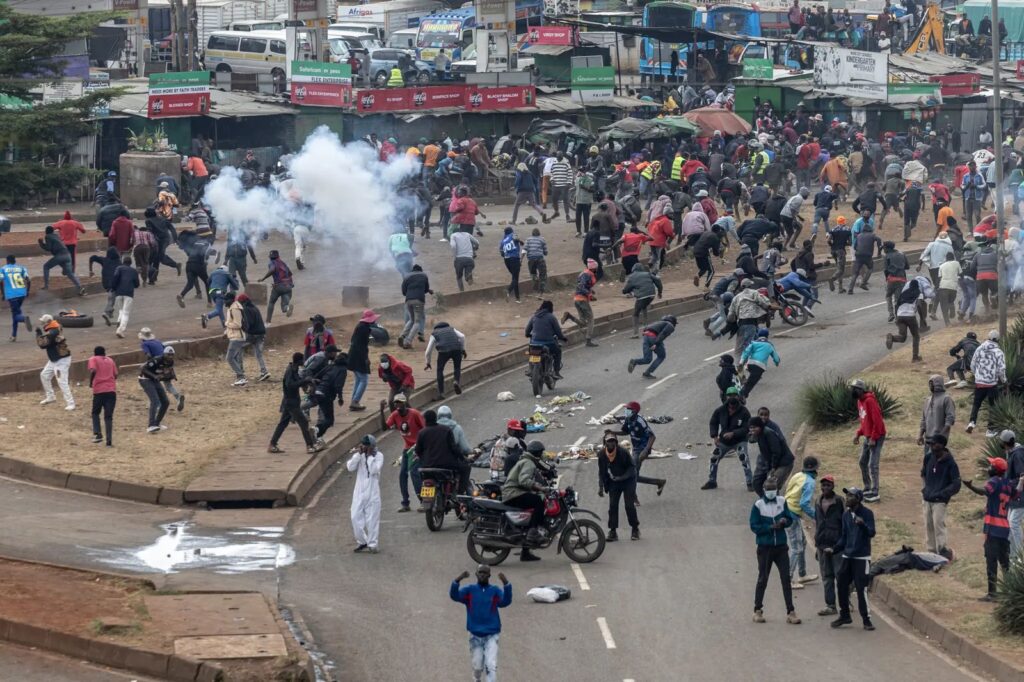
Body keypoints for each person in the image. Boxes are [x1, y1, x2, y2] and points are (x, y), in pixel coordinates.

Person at [964, 456, 1024, 600]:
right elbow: (1017, 493)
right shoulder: (1008, 483)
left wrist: (970, 486)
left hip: (992, 528)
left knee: (991, 561)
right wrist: (1021, 482)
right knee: (1005, 563)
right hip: (1004, 529)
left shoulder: (994, 482)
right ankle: (1010, 591)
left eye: (991, 466)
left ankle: (992, 593)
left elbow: (984, 491)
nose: (988, 468)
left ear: (995, 470)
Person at [749, 476, 801, 625]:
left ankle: (791, 611)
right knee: (763, 578)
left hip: (781, 547)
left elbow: (789, 519)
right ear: (764, 490)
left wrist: (784, 521)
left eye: (773, 489)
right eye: (768, 489)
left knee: (786, 579)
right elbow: (754, 526)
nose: (771, 492)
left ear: (777, 490)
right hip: (765, 547)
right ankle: (757, 610)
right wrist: (770, 527)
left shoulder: (782, 501)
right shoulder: (758, 505)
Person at [450, 565, 511, 682]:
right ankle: (477, 679)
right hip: (475, 636)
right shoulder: (469, 590)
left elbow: (505, 602)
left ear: (489, 575)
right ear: (476, 574)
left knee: (491, 666)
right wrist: (458, 580)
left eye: (485, 573)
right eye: (480, 572)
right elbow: (454, 596)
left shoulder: (494, 590)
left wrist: (506, 584)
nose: (482, 575)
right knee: (477, 668)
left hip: (492, 635)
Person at [829, 487, 876, 631]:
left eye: (850, 496)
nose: (847, 498)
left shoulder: (867, 513)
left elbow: (871, 532)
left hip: (861, 557)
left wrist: (862, 525)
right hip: (847, 555)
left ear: (858, 499)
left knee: (861, 588)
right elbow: (844, 537)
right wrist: (834, 549)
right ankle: (844, 615)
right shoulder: (846, 515)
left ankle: (866, 619)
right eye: (847, 495)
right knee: (841, 584)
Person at [501, 439, 551, 558]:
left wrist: (538, 487)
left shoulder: (526, 460)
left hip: (514, 492)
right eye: (541, 452)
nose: (542, 454)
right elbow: (523, 480)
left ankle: (525, 553)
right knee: (538, 501)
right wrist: (540, 488)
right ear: (537, 453)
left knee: (530, 514)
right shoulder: (529, 463)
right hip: (513, 493)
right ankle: (533, 532)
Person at [268, 352, 322, 454]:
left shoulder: (294, 369)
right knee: (304, 422)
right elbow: (290, 385)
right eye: (302, 360)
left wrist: (311, 381)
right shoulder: (290, 371)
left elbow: (299, 381)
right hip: (291, 402)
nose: (304, 361)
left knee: (283, 423)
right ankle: (310, 446)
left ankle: (272, 444)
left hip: (291, 401)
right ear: (299, 360)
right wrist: (304, 381)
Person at [381, 394, 425, 512]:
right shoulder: (395, 415)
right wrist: (381, 411)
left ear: (405, 403)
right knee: (402, 474)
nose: (398, 405)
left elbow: (425, 429)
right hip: (407, 449)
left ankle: (423, 501)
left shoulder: (414, 414)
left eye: (400, 402)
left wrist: (421, 446)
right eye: (396, 403)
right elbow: (384, 427)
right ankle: (405, 503)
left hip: (418, 447)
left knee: (414, 472)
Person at [920, 433, 961, 559]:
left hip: (940, 501)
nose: (932, 446)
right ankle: (931, 552)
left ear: (942, 445)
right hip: (927, 498)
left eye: (934, 444)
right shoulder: (928, 458)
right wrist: (925, 489)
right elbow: (923, 473)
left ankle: (942, 551)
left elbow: (956, 484)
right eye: (930, 444)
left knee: (938, 525)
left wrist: (943, 494)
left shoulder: (951, 463)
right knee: (928, 525)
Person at [616, 401, 667, 499]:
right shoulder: (628, 419)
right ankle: (659, 482)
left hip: (642, 449)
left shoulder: (640, 422)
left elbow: (652, 436)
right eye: (626, 409)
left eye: (628, 409)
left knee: (631, 474)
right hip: (635, 448)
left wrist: (646, 450)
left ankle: (633, 496)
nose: (626, 411)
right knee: (634, 475)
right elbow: (625, 431)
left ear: (634, 411)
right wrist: (612, 432)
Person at [704, 390, 753, 491]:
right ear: (726, 397)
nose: (732, 397)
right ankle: (712, 481)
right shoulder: (720, 410)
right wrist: (715, 436)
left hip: (740, 440)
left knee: (744, 458)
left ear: (738, 397)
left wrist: (733, 433)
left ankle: (750, 482)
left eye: (734, 395)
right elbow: (713, 422)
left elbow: (747, 427)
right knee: (714, 458)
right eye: (730, 395)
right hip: (724, 441)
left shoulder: (744, 411)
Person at [417, 408, 470, 495]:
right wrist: (463, 458)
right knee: (466, 467)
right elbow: (454, 448)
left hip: (427, 466)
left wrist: (425, 460)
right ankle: (460, 493)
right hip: (446, 465)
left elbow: (418, 451)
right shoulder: (446, 430)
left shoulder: (421, 432)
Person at [598, 433, 640, 542]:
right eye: (608, 441)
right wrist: (601, 487)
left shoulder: (623, 452)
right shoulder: (602, 454)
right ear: (605, 443)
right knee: (613, 506)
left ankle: (635, 528)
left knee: (629, 505)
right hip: (614, 482)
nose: (611, 443)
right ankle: (613, 531)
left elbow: (632, 468)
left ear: (616, 443)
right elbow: (602, 472)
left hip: (628, 480)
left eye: (613, 441)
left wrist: (622, 478)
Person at [813, 474, 844, 616]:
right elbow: (818, 523)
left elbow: (845, 523)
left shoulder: (840, 502)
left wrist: (844, 543)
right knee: (827, 576)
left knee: (841, 575)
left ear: (833, 486)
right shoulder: (818, 501)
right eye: (823, 485)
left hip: (837, 545)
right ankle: (830, 605)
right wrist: (817, 545)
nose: (825, 488)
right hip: (822, 545)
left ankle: (845, 603)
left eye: (828, 485)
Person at [347, 434, 383, 554]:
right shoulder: (360, 456)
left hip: (372, 493)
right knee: (355, 517)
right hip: (359, 492)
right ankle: (362, 541)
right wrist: (358, 455)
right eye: (363, 445)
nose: (364, 447)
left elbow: (373, 470)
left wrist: (370, 456)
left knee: (372, 520)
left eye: (367, 446)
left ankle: (372, 544)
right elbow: (350, 467)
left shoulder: (379, 456)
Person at [967, 330, 1006, 438]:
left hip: (979, 383)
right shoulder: (999, 352)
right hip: (991, 384)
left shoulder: (979, 348)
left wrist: (977, 375)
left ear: (988, 337)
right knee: (993, 406)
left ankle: (972, 422)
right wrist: (1004, 381)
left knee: (976, 404)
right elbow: (1001, 369)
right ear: (998, 340)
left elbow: (973, 364)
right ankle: (990, 430)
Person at [36, 314, 74, 410]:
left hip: (61, 360)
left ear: (48, 322)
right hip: (55, 358)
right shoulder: (54, 328)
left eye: (43, 322)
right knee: (44, 375)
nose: (42, 324)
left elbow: (42, 344)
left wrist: (38, 334)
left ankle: (71, 403)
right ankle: (51, 397)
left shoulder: (53, 332)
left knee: (62, 381)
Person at [750, 416, 795, 496]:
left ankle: (775, 502)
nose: (752, 430)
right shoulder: (758, 434)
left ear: (760, 426)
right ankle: (765, 500)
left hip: (783, 463)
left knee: (772, 485)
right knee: (756, 483)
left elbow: (776, 452)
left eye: (755, 427)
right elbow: (750, 440)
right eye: (751, 428)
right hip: (769, 462)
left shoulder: (768, 433)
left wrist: (773, 467)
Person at [885, 278, 924, 362]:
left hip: (900, 315)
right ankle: (915, 357)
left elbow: (897, 304)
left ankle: (892, 338)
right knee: (916, 336)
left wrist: (897, 317)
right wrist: (922, 318)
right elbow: (919, 306)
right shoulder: (918, 293)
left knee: (902, 337)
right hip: (910, 316)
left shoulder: (904, 293)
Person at [525, 300, 566, 379]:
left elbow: (527, 330)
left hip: (535, 343)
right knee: (558, 352)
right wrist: (563, 338)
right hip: (549, 343)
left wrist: (528, 335)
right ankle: (556, 372)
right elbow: (558, 331)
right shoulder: (551, 317)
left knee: (531, 352)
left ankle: (530, 369)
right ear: (550, 308)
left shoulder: (534, 316)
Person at [562, 259, 599, 347]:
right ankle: (588, 340)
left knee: (583, 322)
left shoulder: (583, 273)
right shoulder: (587, 274)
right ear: (593, 268)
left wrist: (590, 291)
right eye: (596, 268)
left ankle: (569, 316)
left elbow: (583, 285)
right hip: (582, 300)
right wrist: (590, 295)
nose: (597, 270)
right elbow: (581, 286)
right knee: (590, 320)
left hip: (577, 299)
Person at [425, 321, 466, 398]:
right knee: (457, 367)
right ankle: (456, 381)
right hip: (456, 349)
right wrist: (463, 350)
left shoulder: (434, 333)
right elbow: (462, 336)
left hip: (444, 352)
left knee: (440, 370)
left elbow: (428, 351)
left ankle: (441, 393)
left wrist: (428, 362)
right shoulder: (451, 329)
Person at [627, 314, 676, 380]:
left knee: (647, 359)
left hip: (646, 337)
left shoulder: (658, 323)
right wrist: (656, 343)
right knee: (661, 356)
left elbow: (645, 329)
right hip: (653, 338)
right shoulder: (670, 325)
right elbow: (663, 334)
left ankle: (634, 361)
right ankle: (647, 373)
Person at [39, 226, 84, 295]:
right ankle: (80, 288)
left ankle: (46, 286)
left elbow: (48, 248)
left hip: (60, 255)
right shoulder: (57, 235)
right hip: (68, 255)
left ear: (46, 231)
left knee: (46, 267)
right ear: (53, 231)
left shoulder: (48, 236)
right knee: (70, 274)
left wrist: (41, 243)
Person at [622, 263, 662, 338]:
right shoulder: (648, 274)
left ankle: (635, 333)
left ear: (633, 269)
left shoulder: (632, 277)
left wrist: (624, 291)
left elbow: (626, 289)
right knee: (644, 307)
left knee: (635, 314)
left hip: (641, 297)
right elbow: (658, 281)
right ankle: (646, 328)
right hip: (651, 295)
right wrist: (660, 292)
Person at [347, 309, 377, 412]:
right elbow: (362, 346)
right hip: (359, 356)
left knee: (358, 379)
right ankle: (355, 401)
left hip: (353, 354)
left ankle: (354, 401)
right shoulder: (364, 329)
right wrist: (365, 358)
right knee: (364, 380)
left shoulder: (360, 326)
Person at [87, 346, 117, 447]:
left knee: (95, 412)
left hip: (99, 391)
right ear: (104, 353)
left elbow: (93, 370)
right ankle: (109, 441)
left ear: (94, 353)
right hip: (111, 391)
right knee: (108, 417)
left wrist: (91, 382)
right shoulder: (110, 360)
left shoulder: (93, 359)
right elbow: (115, 375)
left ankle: (98, 433)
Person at [739, 328, 780, 398]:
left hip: (750, 364)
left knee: (752, 377)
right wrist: (777, 363)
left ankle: (742, 390)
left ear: (758, 335)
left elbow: (746, 352)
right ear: (767, 336)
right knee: (751, 383)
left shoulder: (753, 343)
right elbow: (776, 358)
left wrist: (741, 362)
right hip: (760, 366)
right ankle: (741, 396)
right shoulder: (769, 345)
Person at [399, 265, 432, 349]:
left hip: (408, 300)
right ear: (420, 270)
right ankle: (408, 341)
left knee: (411, 320)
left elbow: (403, 292)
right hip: (418, 300)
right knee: (417, 322)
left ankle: (402, 335)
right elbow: (426, 289)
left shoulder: (407, 277)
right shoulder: (424, 275)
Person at [108, 256, 140, 340]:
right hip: (129, 293)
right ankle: (120, 330)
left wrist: (113, 288)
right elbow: (137, 284)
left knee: (121, 310)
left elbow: (115, 278)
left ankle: (119, 322)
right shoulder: (134, 271)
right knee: (126, 312)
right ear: (130, 263)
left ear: (123, 262)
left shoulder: (119, 268)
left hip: (118, 293)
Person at [258, 250, 294, 325]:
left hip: (279, 286)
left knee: (271, 302)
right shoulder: (283, 263)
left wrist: (263, 278)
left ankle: (268, 322)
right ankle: (287, 308)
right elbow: (290, 274)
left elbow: (272, 269)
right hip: (288, 287)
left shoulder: (272, 262)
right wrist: (291, 284)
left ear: (270, 257)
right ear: (278, 256)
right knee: (284, 307)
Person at [1, 255, 31, 342]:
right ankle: (13, 335)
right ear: (15, 261)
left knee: (16, 314)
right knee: (15, 314)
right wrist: (27, 291)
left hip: (12, 295)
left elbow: (1, 281)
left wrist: (3, 293)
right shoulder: (21, 268)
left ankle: (23, 319)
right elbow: (28, 280)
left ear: (7, 261)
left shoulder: (3, 269)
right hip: (22, 293)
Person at [138, 351, 170, 433]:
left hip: (154, 380)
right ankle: (151, 425)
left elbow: (166, 374)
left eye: (172, 355)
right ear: (164, 354)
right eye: (168, 355)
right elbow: (143, 369)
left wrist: (165, 376)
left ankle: (156, 423)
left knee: (165, 402)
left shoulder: (169, 362)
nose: (170, 357)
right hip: (145, 379)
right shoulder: (157, 360)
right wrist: (154, 376)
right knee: (155, 401)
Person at [499, 227, 523, 303]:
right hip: (514, 259)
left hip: (507, 260)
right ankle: (508, 291)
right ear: (511, 231)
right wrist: (521, 242)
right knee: (515, 278)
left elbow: (502, 253)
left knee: (514, 278)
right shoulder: (512, 235)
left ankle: (518, 298)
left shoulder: (503, 241)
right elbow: (516, 238)